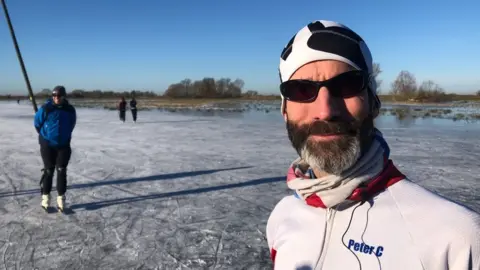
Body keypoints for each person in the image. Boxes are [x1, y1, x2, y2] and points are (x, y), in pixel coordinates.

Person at [266, 20, 479, 270]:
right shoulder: (283, 217)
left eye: (346, 86)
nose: (325, 111)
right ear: (285, 111)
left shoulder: (455, 238)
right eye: (301, 90)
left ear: (373, 102)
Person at [34, 85, 76, 212]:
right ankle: (45, 198)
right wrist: (45, 137)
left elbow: (72, 124)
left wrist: (65, 136)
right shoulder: (46, 108)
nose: (56, 98)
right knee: (49, 171)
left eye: (58, 95)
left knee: (61, 170)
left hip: (63, 145)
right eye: (54, 95)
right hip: (48, 144)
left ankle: (61, 199)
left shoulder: (69, 110)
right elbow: (37, 123)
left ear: (63, 96)